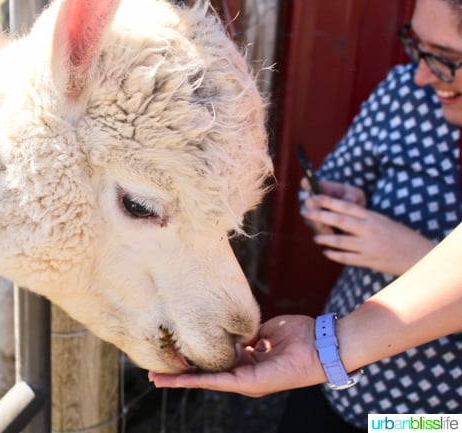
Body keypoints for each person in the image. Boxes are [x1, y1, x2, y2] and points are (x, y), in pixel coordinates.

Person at [152, 0, 462, 430]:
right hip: (342, 382)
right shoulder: (407, 91)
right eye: (416, 45)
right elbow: (332, 178)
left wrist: (410, 255)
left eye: (447, 59)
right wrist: (330, 204)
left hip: (437, 418)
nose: (423, 74)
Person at [147, 221, 462, 395]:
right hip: (331, 388)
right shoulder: (403, 106)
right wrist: (320, 350)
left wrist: (417, 257)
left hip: (435, 420)